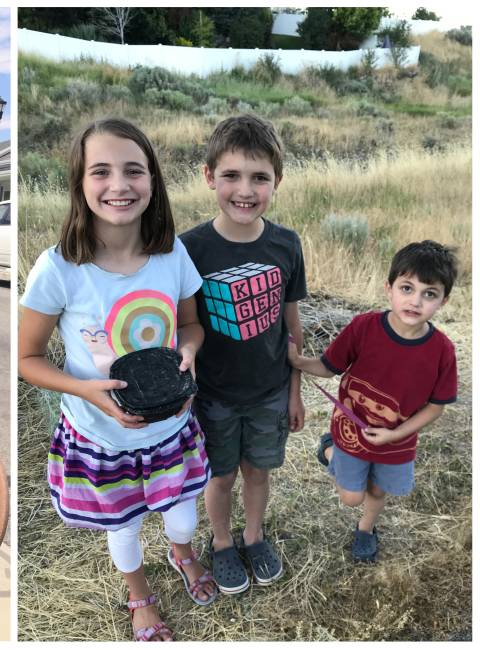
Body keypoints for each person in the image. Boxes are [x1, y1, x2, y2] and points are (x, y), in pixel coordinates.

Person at [17, 118, 215, 642]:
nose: (119, 185)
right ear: (80, 184)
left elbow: (191, 323)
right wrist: (85, 392)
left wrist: (189, 348)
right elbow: (27, 357)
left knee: (183, 519)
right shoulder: (59, 268)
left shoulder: (172, 253)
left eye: (133, 170)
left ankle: (181, 552)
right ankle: (138, 593)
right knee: (123, 528)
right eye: (100, 171)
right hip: (103, 437)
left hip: (170, 429)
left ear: (153, 180)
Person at [178, 114, 307, 594]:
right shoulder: (190, 248)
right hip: (214, 396)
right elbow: (184, 327)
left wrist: (294, 391)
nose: (245, 190)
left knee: (258, 470)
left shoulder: (285, 244)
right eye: (231, 175)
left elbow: (291, 326)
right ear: (209, 176)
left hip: (270, 391)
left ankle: (254, 536)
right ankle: (222, 541)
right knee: (222, 475)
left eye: (260, 178)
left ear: (277, 180)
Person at [288, 241, 457, 563]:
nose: (415, 301)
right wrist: (298, 361)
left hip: (397, 441)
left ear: (443, 301)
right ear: (389, 287)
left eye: (429, 294)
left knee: (378, 491)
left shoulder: (442, 350)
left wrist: (395, 435)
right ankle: (329, 449)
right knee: (351, 496)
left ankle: (366, 530)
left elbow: (436, 406)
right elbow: (328, 367)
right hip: (352, 433)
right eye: (407, 288)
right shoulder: (364, 328)